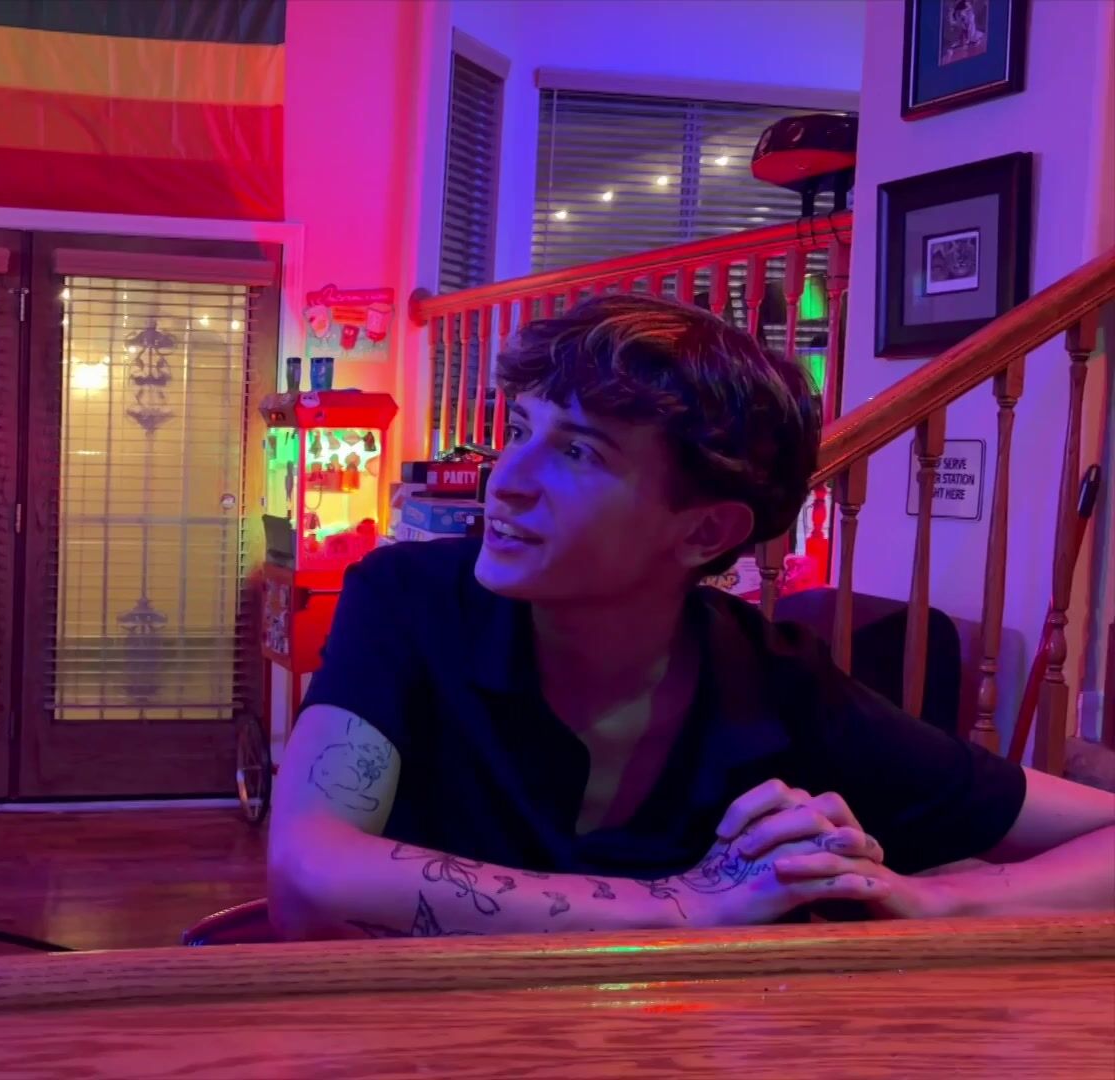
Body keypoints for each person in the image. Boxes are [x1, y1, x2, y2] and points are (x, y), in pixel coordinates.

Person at [268, 294, 1115, 941]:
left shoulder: (777, 686)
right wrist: (684, 905)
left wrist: (927, 900)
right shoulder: (409, 600)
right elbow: (309, 873)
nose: (506, 481)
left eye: (577, 451)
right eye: (520, 429)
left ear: (705, 532)